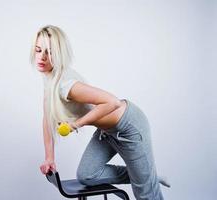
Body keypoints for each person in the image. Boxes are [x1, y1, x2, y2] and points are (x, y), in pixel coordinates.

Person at [30, 25, 170, 200]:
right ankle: (147, 176)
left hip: (129, 127)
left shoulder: (66, 85)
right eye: (38, 50)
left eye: (49, 53)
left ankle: (145, 178)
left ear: (58, 55)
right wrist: (49, 157)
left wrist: (76, 124)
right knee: (87, 175)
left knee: (145, 195)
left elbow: (112, 102)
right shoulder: (49, 78)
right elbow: (47, 117)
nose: (41, 57)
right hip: (107, 132)